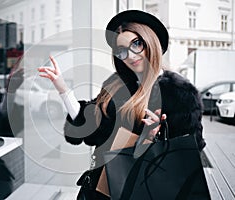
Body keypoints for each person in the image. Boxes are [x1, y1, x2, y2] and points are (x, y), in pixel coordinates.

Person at [38, 10, 206, 200]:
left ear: (150, 41)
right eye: (122, 50)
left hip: (146, 191)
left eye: (136, 43)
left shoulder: (180, 94)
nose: (130, 55)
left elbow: (188, 154)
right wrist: (63, 89)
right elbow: (92, 127)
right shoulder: (115, 86)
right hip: (103, 186)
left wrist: (154, 136)